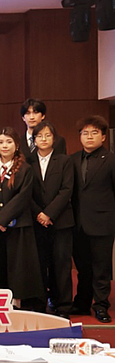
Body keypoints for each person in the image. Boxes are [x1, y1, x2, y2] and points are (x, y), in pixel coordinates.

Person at [0, 127, 45, 310]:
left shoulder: (26, 169)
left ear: (17, 145)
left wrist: (3, 218)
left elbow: (23, 197)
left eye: (9, 142)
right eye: (1, 142)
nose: (5, 146)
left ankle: (18, 302)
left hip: (19, 225)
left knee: (19, 266)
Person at [70, 115, 115, 323]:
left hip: (102, 223)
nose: (89, 137)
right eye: (85, 133)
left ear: (103, 137)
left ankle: (101, 305)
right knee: (82, 268)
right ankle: (82, 302)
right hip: (77, 224)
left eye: (94, 133)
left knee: (101, 268)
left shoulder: (111, 159)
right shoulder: (72, 159)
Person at [30, 120, 74, 318]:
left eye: (48, 135)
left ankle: (63, 306)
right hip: (36, 222)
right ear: (34, 140)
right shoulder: (27, 162)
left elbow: (66, 190)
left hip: (61, 221)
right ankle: (40, 305)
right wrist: (39, 213)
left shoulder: (64, 161)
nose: (44, 139)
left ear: (54, 139)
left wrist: (49, 213)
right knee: (39, 264)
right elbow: (26, 192)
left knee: (61, 265)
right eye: (40, 136)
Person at [21, 98, 66, 163]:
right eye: (28, 113)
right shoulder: (17, 142)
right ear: (23, 118)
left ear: (43, 116)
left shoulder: (58, 141)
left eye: (35, 112)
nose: (31, 117)